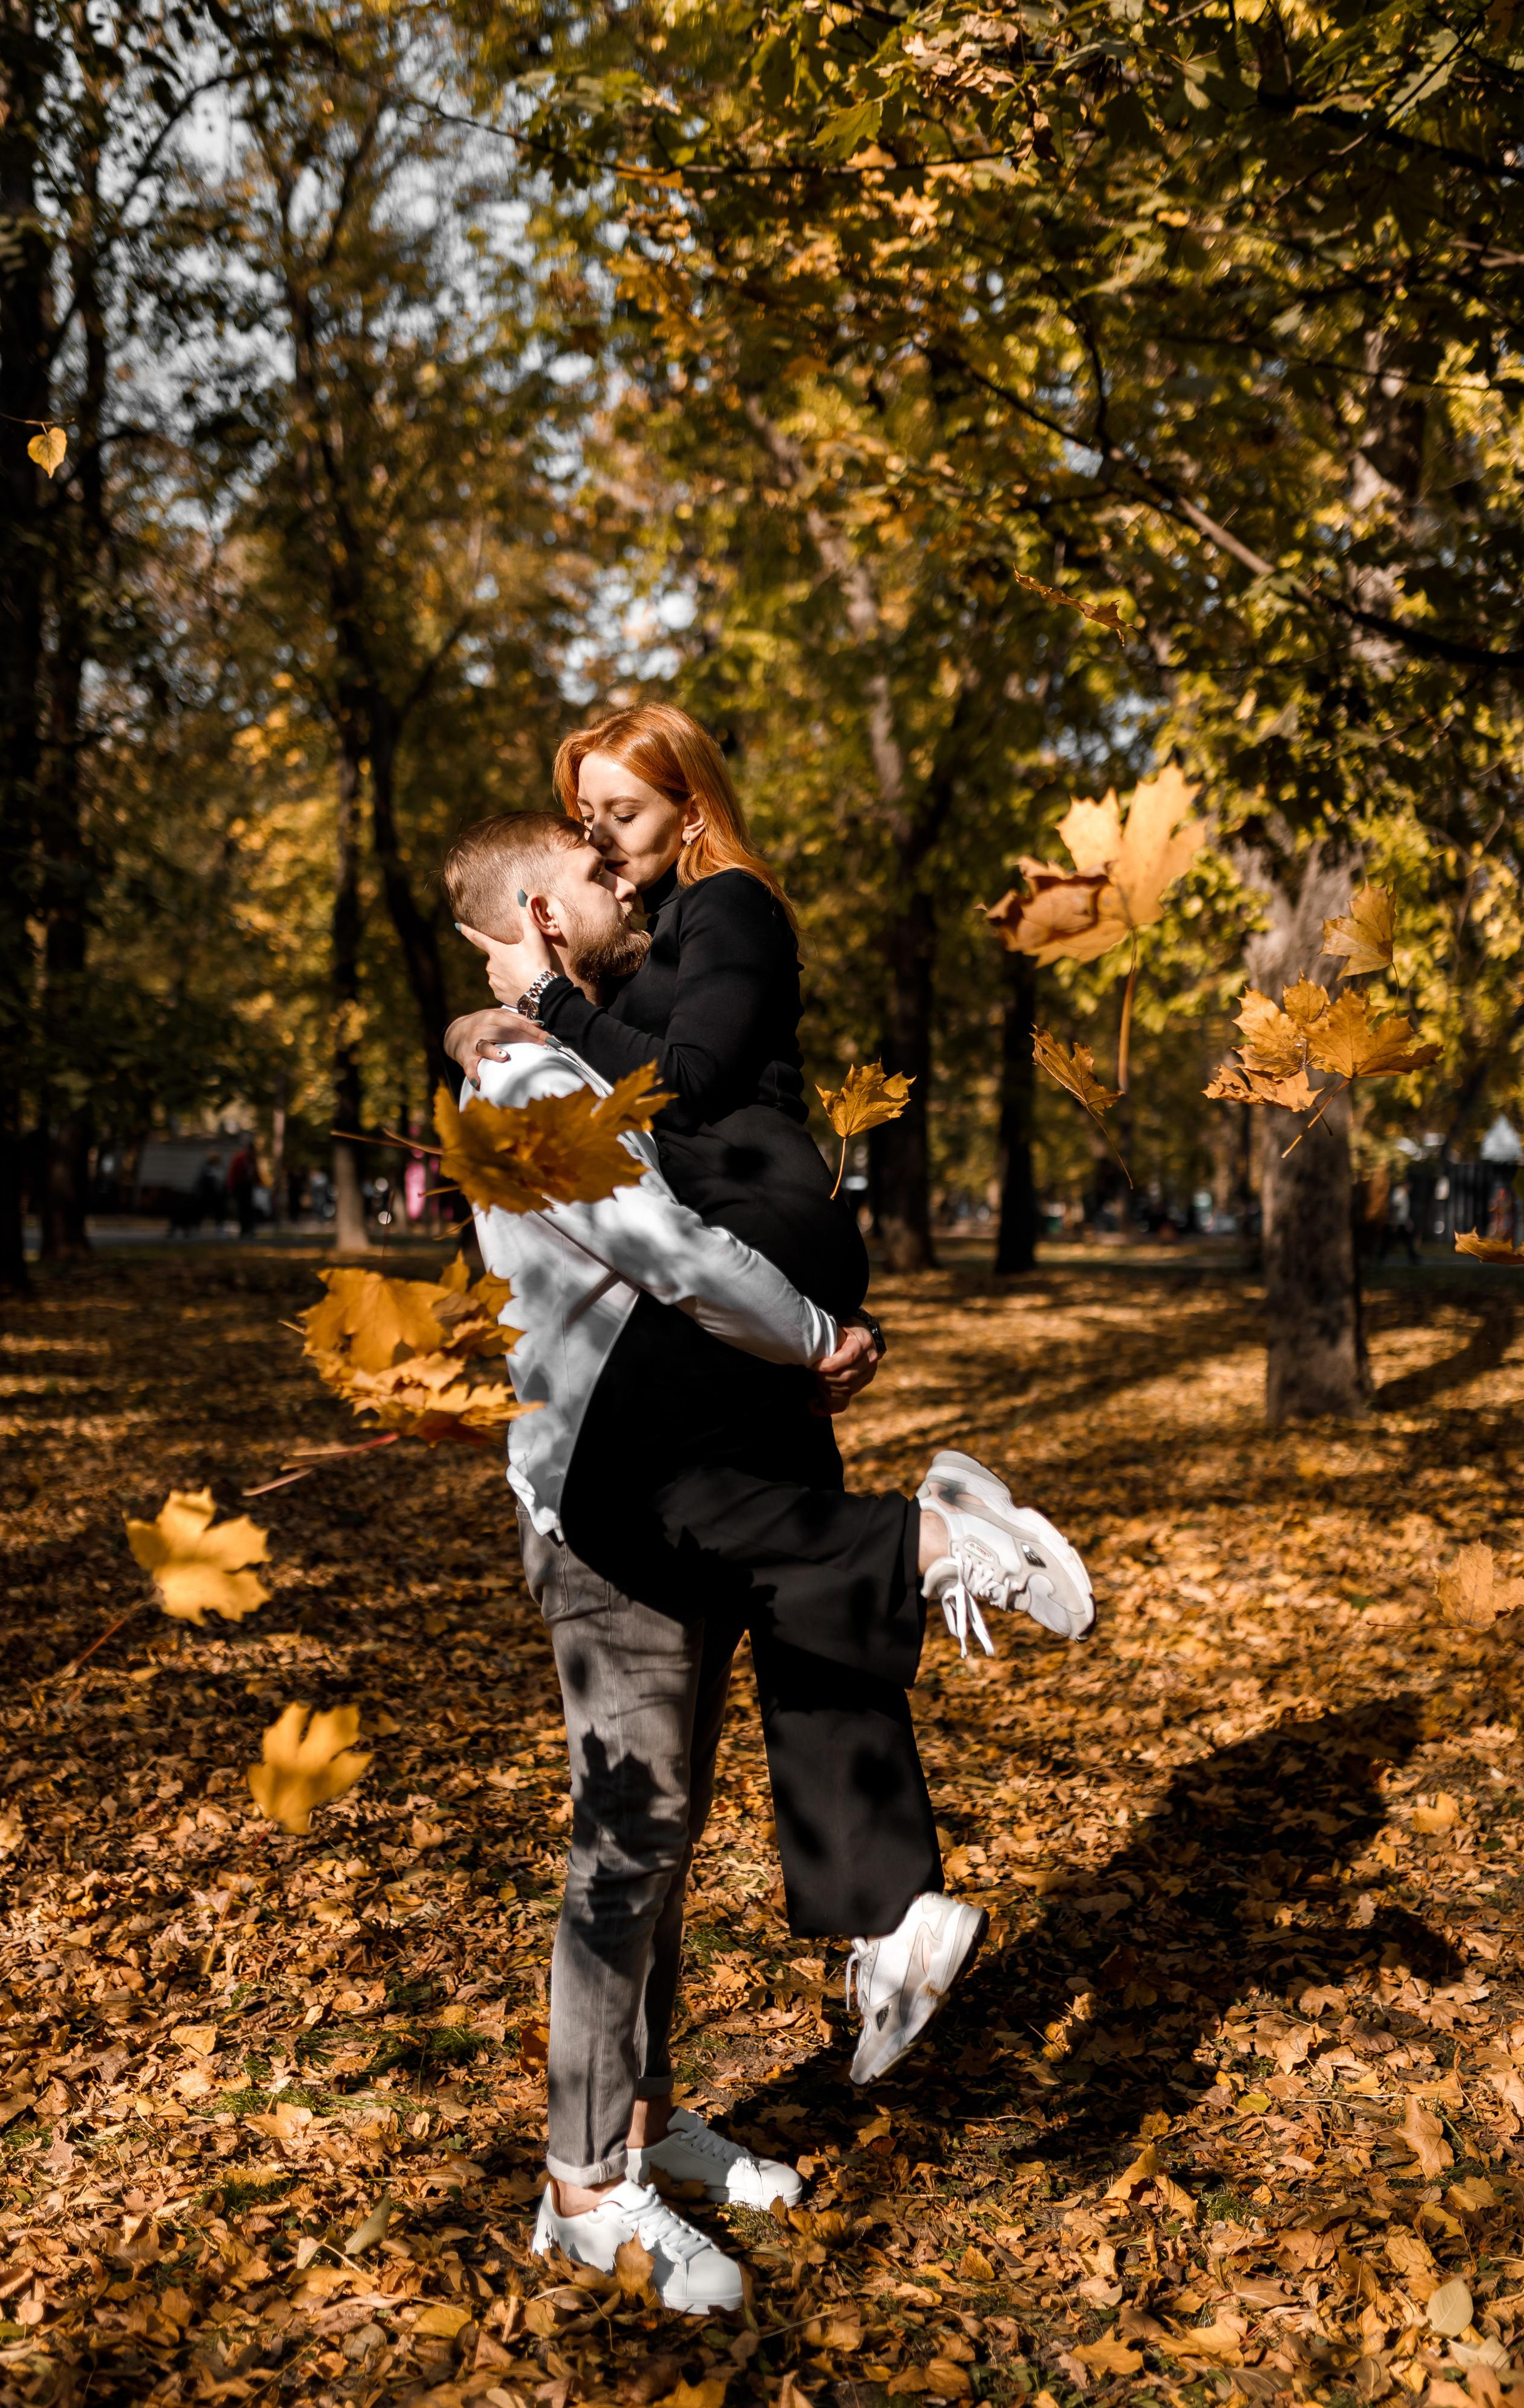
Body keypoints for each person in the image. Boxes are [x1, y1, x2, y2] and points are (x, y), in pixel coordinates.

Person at [444, 811, 1095, 2315]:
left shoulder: (571, 1053)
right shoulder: (527, 1078)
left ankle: (642, 2126)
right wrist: (811, 1340)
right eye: (599, 874)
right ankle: (582, 2192)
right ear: (540, 912)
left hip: (678, 1472)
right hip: (605, 1501)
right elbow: (663, 1251)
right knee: (625, 1839)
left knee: (662, 1835)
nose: (627, 886)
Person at [444, 704, 868, 1321]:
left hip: (766, 1215)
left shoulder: (729, 900)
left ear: (691, 815)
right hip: (714, 1227)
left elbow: (687, 1083)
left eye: (624, 815)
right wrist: (463, 1030)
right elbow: (592, 1047)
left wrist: (544, 995)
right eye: (587, 817)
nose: (599, 838)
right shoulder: (648, 932)